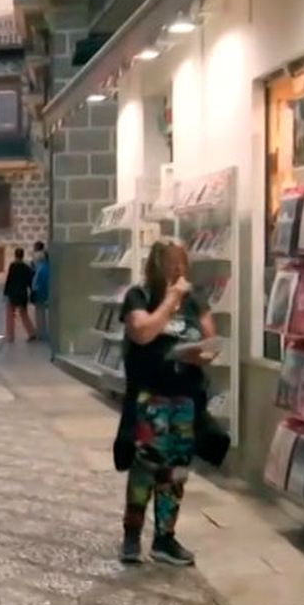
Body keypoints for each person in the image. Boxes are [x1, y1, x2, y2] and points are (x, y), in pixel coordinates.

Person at [117, 238, 214, 567]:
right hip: (150, 400)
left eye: (182, 262)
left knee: (175, 471)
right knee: (145, 467)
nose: (178, 269)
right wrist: (171, 299)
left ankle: (165, 538)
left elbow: (209, 342)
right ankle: (132, 535)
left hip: (184, 399)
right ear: (155, 265)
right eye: (171, 262)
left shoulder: (194, 301)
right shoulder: (139, 297)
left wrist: (199, 352)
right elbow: (142, 332)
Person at [2, 247, 36, 343]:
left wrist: (5, 293)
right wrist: (31, 291)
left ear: (15, 255)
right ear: (23, 255)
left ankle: (10, 336)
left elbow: (9, 280)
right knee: (24, 314)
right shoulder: (26, 268)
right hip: (22, 293)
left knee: (9, 315)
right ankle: (31, 332)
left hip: (12, 293)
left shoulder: (13, 266)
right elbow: (30, 281)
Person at [31, 241, 51, 342]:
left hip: (41, 295)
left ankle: (41, 333)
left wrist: (34, 291)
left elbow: (37, 283)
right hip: (44, 294)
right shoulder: (45, 267)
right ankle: (42, 332)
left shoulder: (41, 269)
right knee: (42, 314)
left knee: (40, 315)